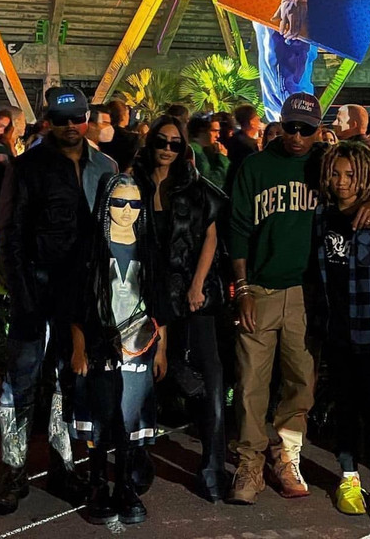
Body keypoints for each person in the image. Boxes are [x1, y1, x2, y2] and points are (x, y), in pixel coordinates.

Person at [0, 86, 117, 515]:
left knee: (69, 382)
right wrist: (24, 295)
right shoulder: (26, 168)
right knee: (19, 382)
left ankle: (64, 467)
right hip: (36, 289)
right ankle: (13, 470)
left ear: (88, 118)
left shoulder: (106, 166)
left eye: (77, 118)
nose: (69, 127)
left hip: (80, 295)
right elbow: (8, 235)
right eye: (61, 120)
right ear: (47, 120)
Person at [228, 92, 324, 505]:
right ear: (280, 125)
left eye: (306, 129)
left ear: (318, 129)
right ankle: (249, 463)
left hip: (305, 291)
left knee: (300, 383)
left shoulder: (324, 166)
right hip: (262, 289)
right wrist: (243, 288)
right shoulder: (256, 165)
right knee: (251, 383)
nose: (298, 136)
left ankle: (287, 457)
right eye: (292, 127)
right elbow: (237, 229)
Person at [134, 116, 229, 502]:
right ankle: (138, 460)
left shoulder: (193, 185)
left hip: (191, 292)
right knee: (140, 381)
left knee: (210, 380)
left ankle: (211, 466)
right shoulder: (132, 181)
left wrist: (196, 285)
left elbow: (211, 233)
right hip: (144, 292)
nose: (168, 149)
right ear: (151, 140)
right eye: (162, 141)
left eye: (175, 143)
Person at [310, 141, 370, 520]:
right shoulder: (321, 217)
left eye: (350, 175)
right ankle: (348, 476)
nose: (342, 181)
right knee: (344, 405)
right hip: (336, 328)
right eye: (336, 174)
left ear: (366, 177)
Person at [70, 173, 167, 525]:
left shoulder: (148, 247)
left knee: (131, 417)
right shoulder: (91, 245)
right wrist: (78, 348)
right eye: (119, 203)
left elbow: (159, 304)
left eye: (134, 204)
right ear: (105, 203)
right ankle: (98, 482)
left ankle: (125, 484)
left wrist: (162, 349)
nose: (126, 211)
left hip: (140, 347)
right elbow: (76, 304)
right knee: (98, 415)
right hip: (98, 347)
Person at [188, 114, 230, 190]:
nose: (218, 136)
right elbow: (212, 183)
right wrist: (223, 158)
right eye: (214, 131)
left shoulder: (200, 149)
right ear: (202, 130)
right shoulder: (196, 152)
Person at [226, 104, 261, 192]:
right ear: (251, 122)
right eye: (257, 118)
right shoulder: (245, 145)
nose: (259, 120)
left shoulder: (235, 139)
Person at [104, 99, 139, 171]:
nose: (128, 117)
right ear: (122, 116)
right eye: (127, 113)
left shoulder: (103, 135)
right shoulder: (132, 138)